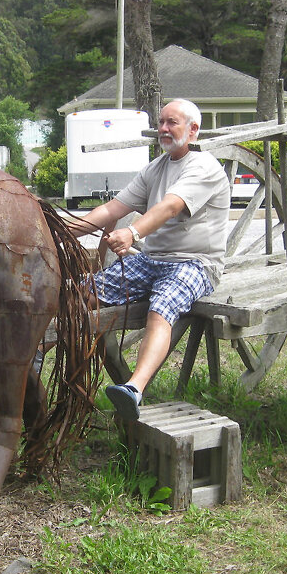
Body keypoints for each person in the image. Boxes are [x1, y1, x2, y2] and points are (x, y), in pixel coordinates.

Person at [69, 99, 230, 420]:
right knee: (82, 292)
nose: (164, 129)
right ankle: (37, 354)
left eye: (172, 123)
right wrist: (60, 232)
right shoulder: (155, 168)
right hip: (152, 259)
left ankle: (133, 389)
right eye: (161, 123)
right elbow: (111, 210)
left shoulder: (205, 167)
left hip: (195, 263)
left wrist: (132, 234)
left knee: (162, 307)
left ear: (193, 130)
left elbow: (170, 207)